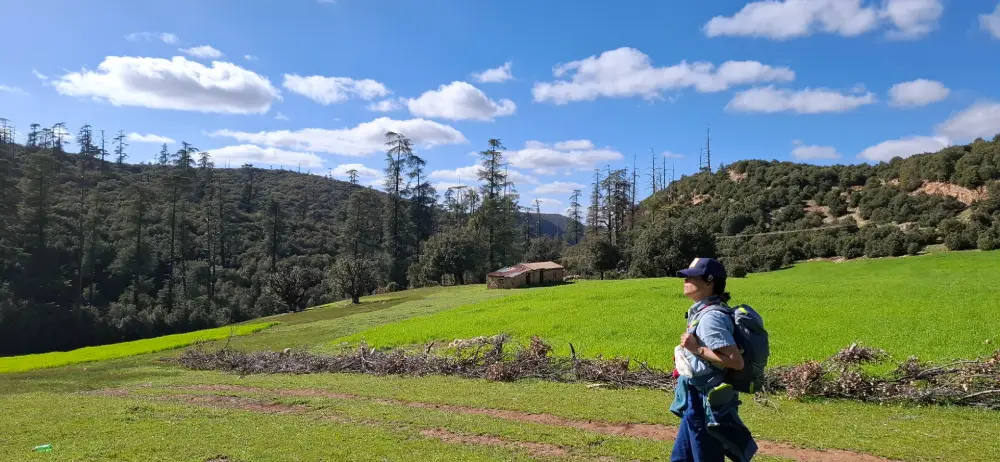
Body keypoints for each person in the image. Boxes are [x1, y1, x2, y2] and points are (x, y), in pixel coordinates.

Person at [670, 257, 757, 462]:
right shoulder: (703, 311)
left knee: (705, 457)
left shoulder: (711, 318)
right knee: (681, 458)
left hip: (705, 399)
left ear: (709, 282)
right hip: (696, 394)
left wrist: (696, 348)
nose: (685, 280)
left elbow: (736, 361)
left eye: (691, 277)